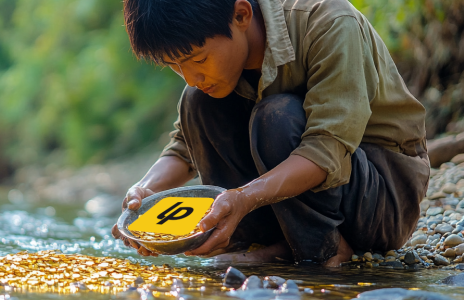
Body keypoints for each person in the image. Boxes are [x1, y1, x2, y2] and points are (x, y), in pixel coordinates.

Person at [110, 0, 430, 267]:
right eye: (174, 65)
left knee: (275, 117)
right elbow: (183, 149)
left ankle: (326, 251)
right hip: (286, 203)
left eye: (198, 60)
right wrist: (142, 193)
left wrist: (243, 198)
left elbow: (325, 151)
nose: (190, 77)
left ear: (241, 15)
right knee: (196, 102)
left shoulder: (329, 21)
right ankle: (273, 244)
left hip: (381, 195)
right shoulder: (209, 76)